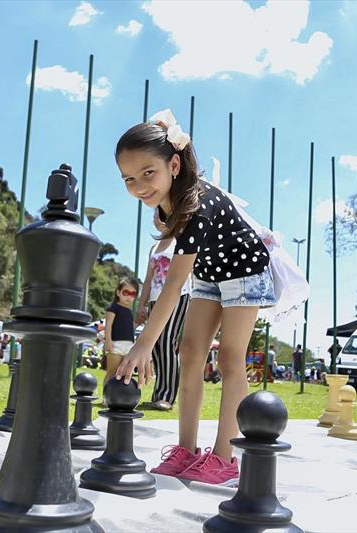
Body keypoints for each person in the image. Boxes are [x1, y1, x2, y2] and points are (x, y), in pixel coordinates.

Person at [113, 109, 275, 486]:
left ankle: (224, 457)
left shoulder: (196, 203)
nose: (139, 186)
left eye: (147, 173)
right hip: (212, 272)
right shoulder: (169, 201)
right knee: (188, 351)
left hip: (245, 269)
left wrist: (144, 344)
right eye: (129, 179)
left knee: (232, 357)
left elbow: (172, 287)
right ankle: (187, 450)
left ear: (173, 164)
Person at [136, 209, 192, 411]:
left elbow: (190, 273)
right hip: (155, 299)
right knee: (157, 345)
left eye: (159, 215)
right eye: (154, 216)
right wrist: (141, 304)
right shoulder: (154, 247)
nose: (155, 219)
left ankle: (167, 396)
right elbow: (148, 279)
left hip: (179, 296)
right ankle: (159, 393)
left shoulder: (182, 241)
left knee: (167, 340)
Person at [104, 278, 139, 384]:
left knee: (124, 373)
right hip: (115, 344)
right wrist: (108, 341)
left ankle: (120, 398)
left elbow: (128, 328)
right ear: (118, 292)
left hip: (129, 345)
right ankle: (106, 398)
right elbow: (108, 325)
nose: (129, 296)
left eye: (133, 294)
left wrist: (138, 322)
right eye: (126, 292)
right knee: (112, 372)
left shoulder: (129, 311)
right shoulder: (113, 307)